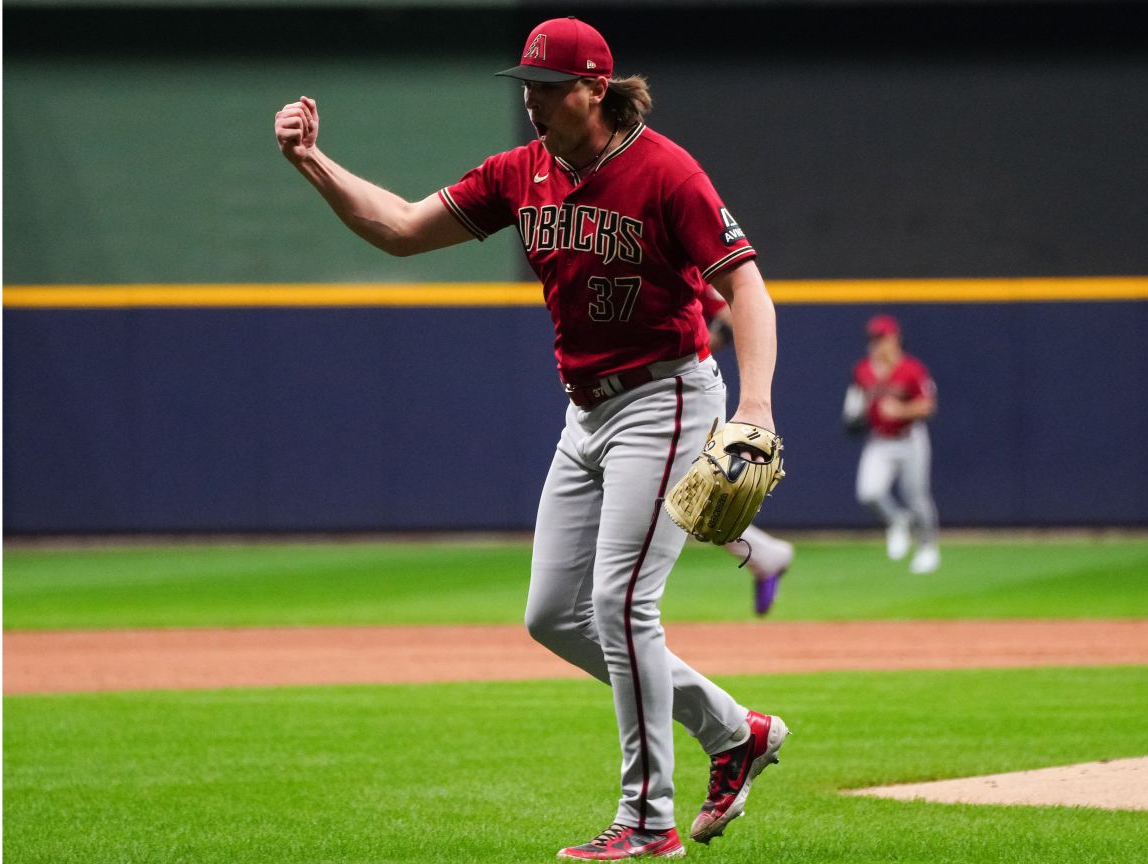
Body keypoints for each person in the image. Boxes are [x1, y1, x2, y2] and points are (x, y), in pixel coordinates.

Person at [274, 17, 787, 860]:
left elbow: (747, 287)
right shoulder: (522, 174)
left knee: (622, 605)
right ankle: (736, 733)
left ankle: (649, 823)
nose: (531, 103)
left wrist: (756, 407)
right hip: (585, 409)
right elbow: (402, 228)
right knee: (555, 616)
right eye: (527, 88)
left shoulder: (665, 172)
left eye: (546, 89)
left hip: (666, 397)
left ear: (594, 88)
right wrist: (310, 163)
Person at [699, 285, 795, 616]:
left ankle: (766, 554)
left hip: (680, 392)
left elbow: (735, 314)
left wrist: (706, 343)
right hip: (636, 396)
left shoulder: (685, 264)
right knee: (684, 502)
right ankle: (766, 555)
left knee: (682, 499)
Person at [844, 314, 941, 574]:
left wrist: (901, 411)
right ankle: (897, 520)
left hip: (910, 439)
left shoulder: (912, 369)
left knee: (917, 498)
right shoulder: (863, 370)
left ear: (895, 338)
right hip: (880, 440)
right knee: (869, 493)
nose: (877, 343)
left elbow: (928, 406)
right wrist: (855, 413)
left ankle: (927, 547)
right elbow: (855, 408)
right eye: (873, 338)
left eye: (882, 338)